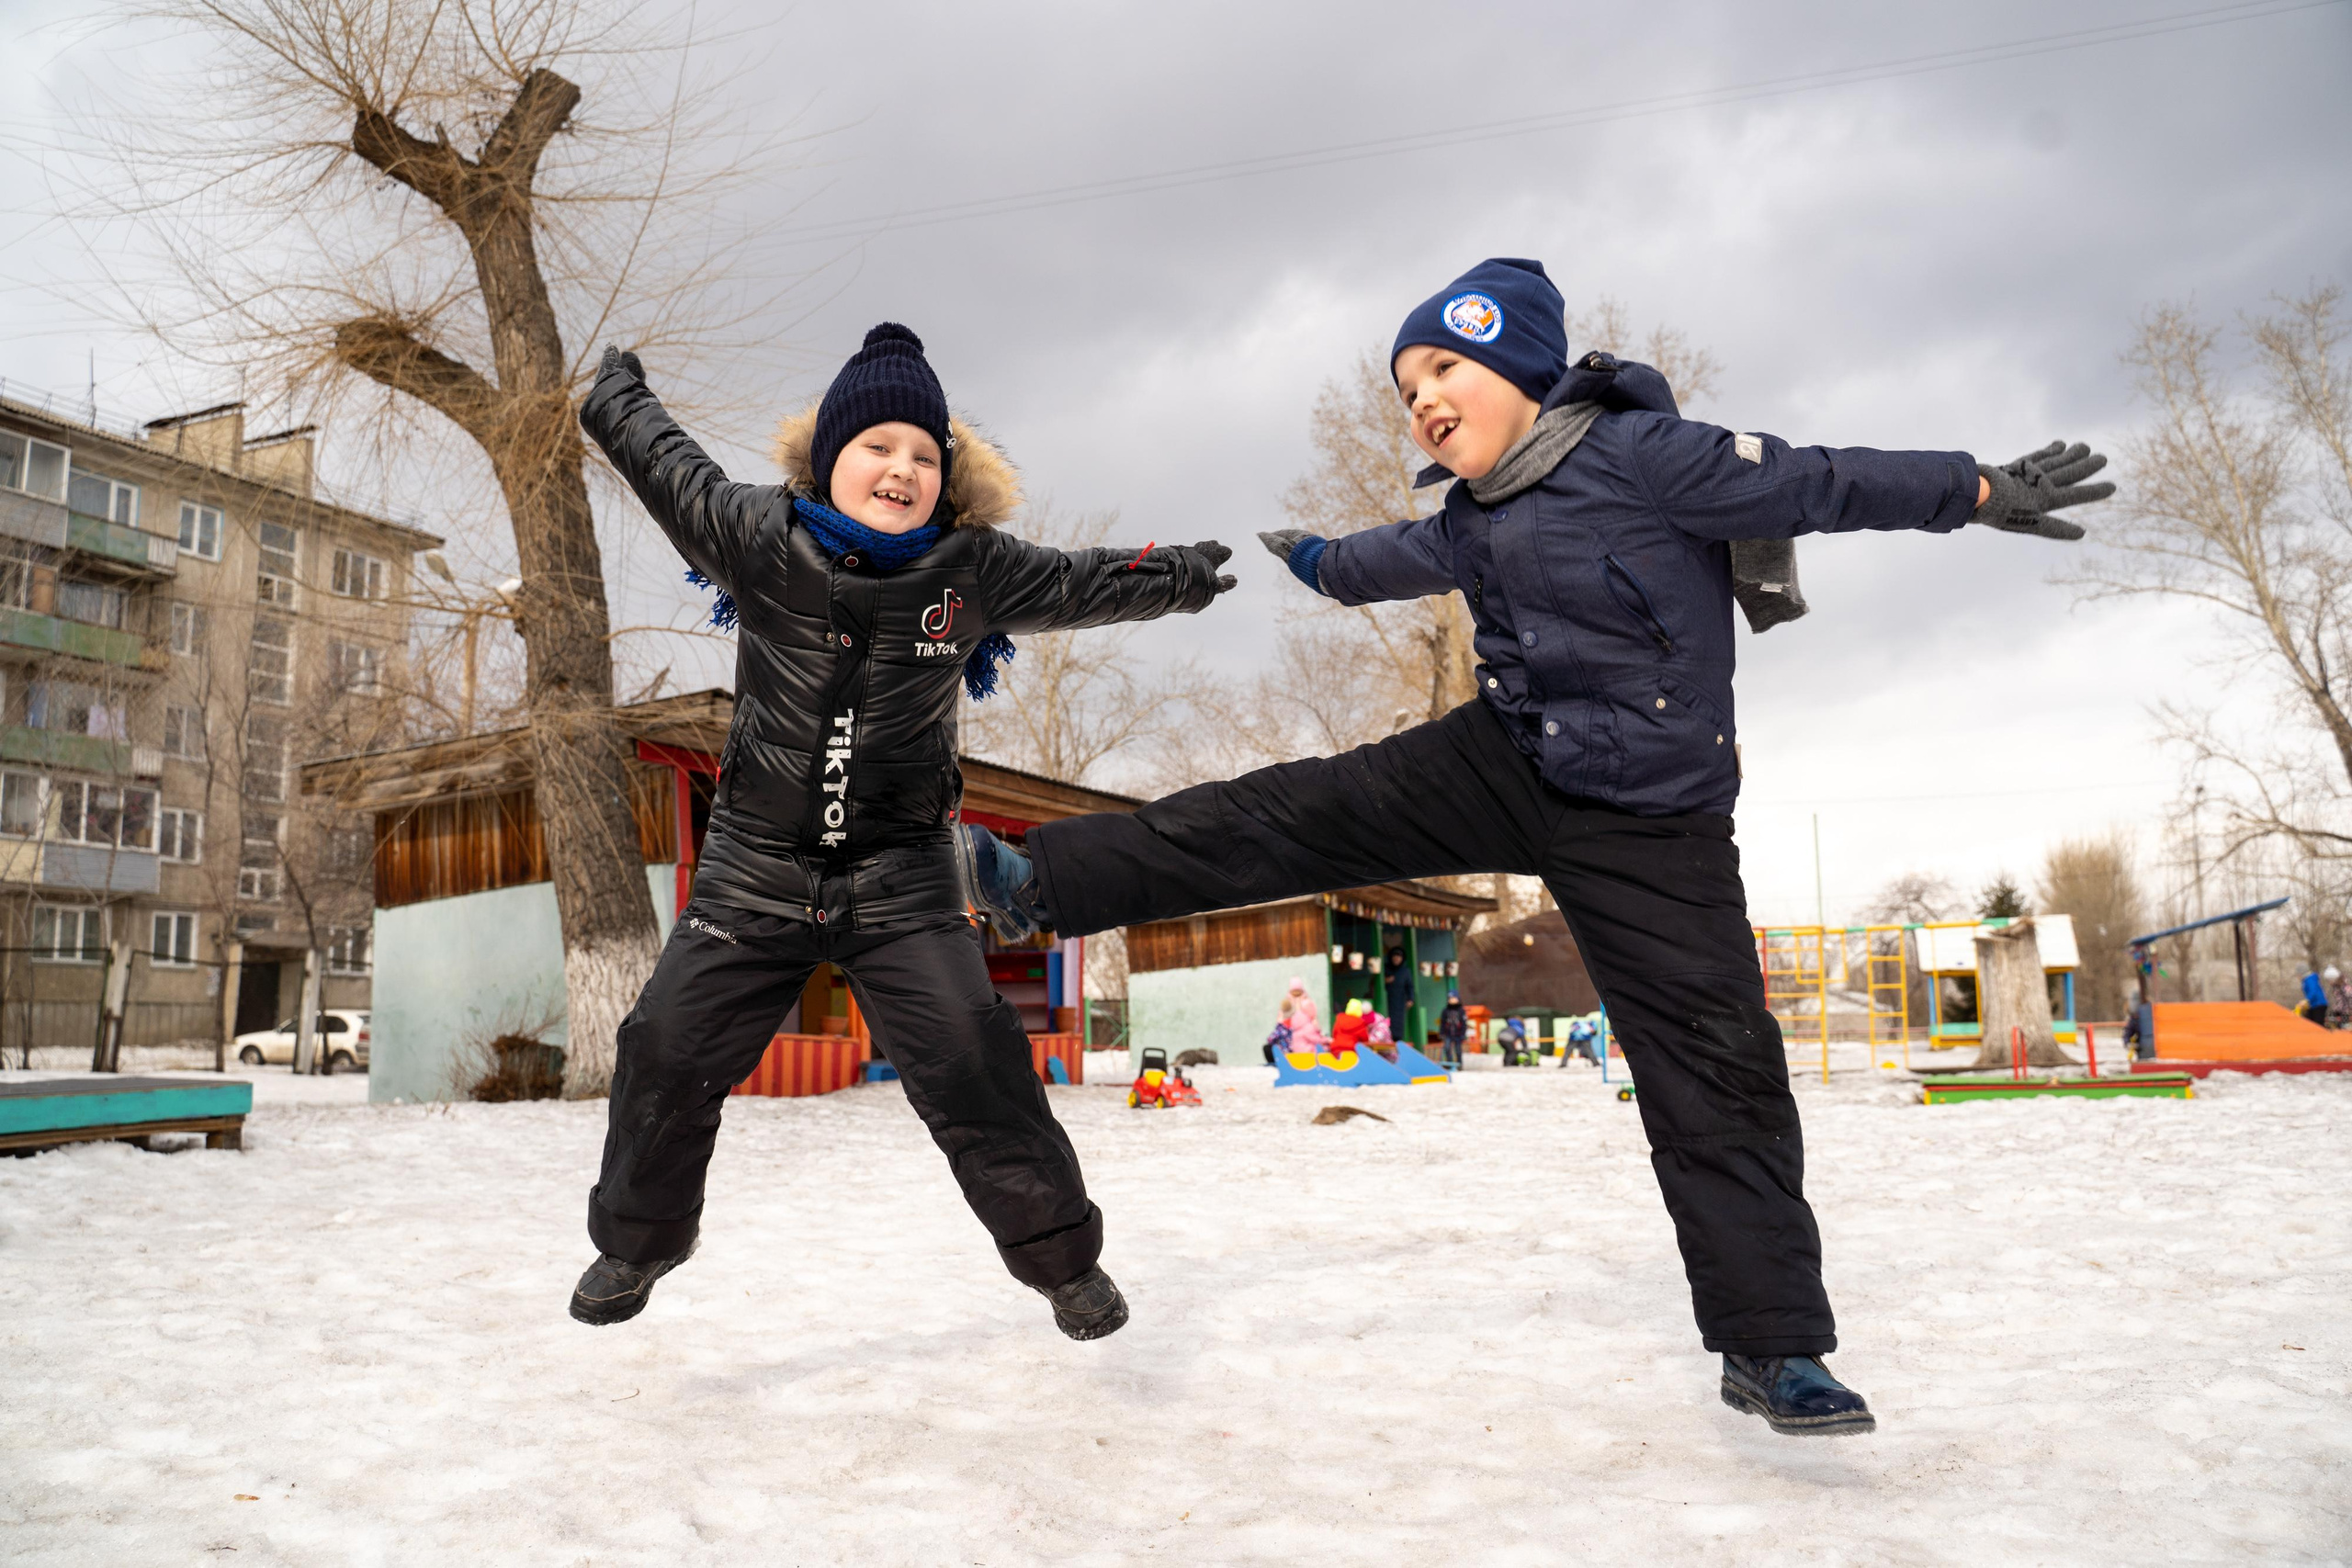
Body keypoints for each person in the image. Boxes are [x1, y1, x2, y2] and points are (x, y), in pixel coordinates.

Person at [958, 257, 2116, 1435]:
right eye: (1406, 388)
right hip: (1506, 758)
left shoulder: (1652, 458)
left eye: (1442, 370)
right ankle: (1035, 880)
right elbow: (1390, 559)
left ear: (1518, 367)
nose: (1421, 402)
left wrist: (1976, 487)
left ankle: (1774, 1350)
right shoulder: (1472, 515)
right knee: (1285, 812)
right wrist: (1314, 560)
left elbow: (1825, 480)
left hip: (1654, 824)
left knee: (1715, 1070)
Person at [566, 327, 1234, 1339]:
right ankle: (638, 1241)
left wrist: (1180, 574)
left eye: (925, 456)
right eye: (879, 446)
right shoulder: (755, 533)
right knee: (664, 1044)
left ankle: (1061, 1262)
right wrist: (616, 393)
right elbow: (667, 467)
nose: (903, 469)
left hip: (903, 879)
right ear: (830, 461)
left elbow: (1087, 580)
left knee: (974, 1056)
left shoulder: (973, 571)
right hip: (754, 871)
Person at [1437, 993, 1470, 1070]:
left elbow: (1464, 1023)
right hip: (1448, 1033)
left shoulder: (1461, 1011)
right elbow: (1443, 1023)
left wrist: (1463, 1033)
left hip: (1458, 1034)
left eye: (1454, 998)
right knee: (1447, 1048)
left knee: (1458, 1050)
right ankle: (1449, 1063)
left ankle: (1459, 1064)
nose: (1452, 1000)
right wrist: (1441, 1033)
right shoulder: (1445, 1011)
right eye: (1450, 999)